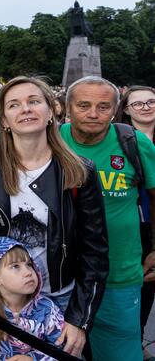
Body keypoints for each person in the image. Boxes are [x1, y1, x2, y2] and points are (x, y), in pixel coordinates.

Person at [0, 76, 109, 358]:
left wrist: (79, 320)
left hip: (57, 298)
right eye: (14, 105)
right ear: (4, 120)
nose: (25, 109)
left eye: (34, 101)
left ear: (52, 112)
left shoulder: (79, 171)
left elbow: (94, 252)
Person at [60, 76, 155, 361]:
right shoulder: (52, 140)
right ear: (68, 108)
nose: (93, 114)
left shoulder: (134, 143)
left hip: (119, 273)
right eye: (84, 105)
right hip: (60, 276)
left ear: (115, 110)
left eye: (103, 107)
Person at [0, 237, 64, 360]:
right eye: (15, 266)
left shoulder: (47, 309)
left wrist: (34, 359)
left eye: (29, 264)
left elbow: (61, 349)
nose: (28, 272)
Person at [115, 86, 155, 343]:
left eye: (151, 101)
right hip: (138, 224)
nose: (146, 107)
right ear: (126, 110)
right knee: (142, 282)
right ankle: (135, 340)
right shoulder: (120, 140)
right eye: (138, 103)